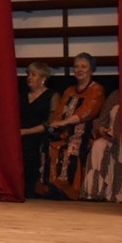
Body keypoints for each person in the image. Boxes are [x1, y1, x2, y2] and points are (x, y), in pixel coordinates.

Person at [35, 52, 106, 200]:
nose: (79, 70)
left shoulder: (96, 89)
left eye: (83, 66)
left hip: (84, 130)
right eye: (76, 67)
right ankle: (49, 185)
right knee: (47, 143)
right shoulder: (69, 91)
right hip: (65, 130)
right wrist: (56, 124)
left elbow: (87, 112)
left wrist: (64, 122)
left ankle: (67, 188)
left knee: (69, 148)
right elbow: (59, 112)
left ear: (91, 69)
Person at [18, 61, 59, 199]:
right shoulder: (22, 95)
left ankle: (30, 189)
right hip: (21, 132)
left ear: (43, 78)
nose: (29, 77)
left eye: (33, 74)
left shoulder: (52, 95)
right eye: (28, 74)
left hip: (41, 133)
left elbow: (50, 122)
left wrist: (27, 131)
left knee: (29, 146)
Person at [80, 88, 122, 202]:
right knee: (99, 145)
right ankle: (96, 191)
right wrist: (102, 129)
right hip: (112, 137)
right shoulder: (116, 95)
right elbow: (102, 122)